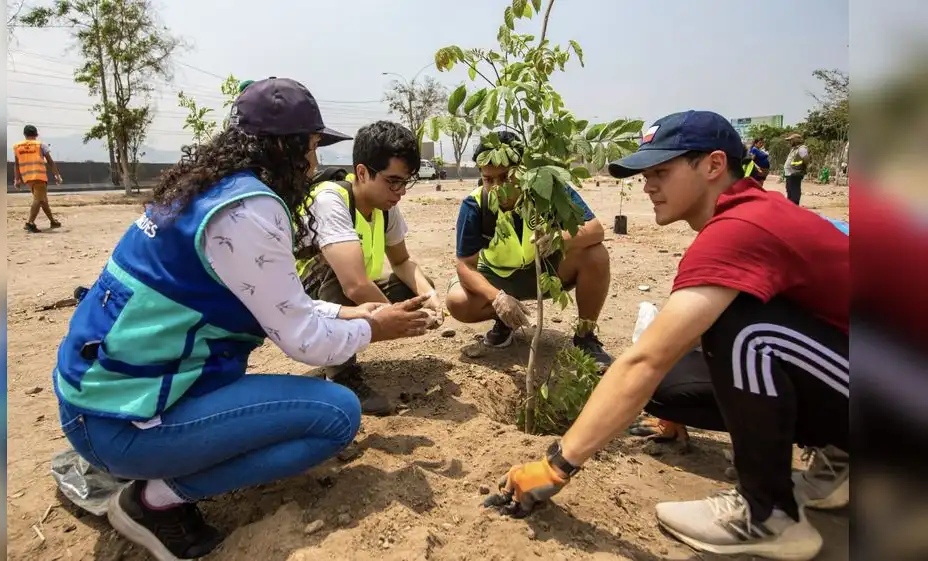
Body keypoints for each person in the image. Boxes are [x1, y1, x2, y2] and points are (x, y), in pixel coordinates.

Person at [52, 78, 431, 561]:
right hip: (120, 421)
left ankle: (155, 465)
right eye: (311, 148)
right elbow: (303, 340)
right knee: (337, 415)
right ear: (284, 147)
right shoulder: (250, 210)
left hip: (102, 397)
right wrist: (374, 327)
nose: (314, 164)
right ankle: (154, 501)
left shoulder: (209, 192)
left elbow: (277, 303)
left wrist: (347, 312)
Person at [492, 111, 848, 561]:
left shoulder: (740, 229)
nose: (647, 185)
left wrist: (557, 464)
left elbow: (645, 360)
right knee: (674, 385)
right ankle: (841, 461)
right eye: (645, 174)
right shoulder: (751, 214)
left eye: (662, 171)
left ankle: (767, 516)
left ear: (714, 165)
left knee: (745, 331)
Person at [296, 120, 440, 416]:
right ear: (362, 172)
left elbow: (401, 262)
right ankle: (341, 375)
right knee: (342, 278)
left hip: (348, 293)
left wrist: (429, 297)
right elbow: (354, 285)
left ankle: (345, 354)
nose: (400, 191)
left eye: (405, 181)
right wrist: (397, 319)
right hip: (303, 302)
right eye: (393, 181)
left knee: (415, 287)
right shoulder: (330, 200)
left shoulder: (386, 208)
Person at [445, 131, 613, 365]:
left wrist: (559, 239)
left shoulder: (548, 188)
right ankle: (505, 320)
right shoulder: (475, 205)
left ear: (522, 170)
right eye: (488, 179)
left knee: (596, 255)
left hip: (545, 271)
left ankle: (585, 337)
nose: (496, 187)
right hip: (500, 279)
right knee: (457, 302)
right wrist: (497, 298)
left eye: (504, 178)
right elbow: (465, 266)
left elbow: (595, 229)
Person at [12, 124, 63, 232]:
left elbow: (16, 164)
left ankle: (52, 221)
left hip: (27, 177)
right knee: (39, 199)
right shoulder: (41, 145)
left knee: (43, 200)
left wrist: (17, 179)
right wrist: (57, 175)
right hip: (39, 176)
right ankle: (30, 223)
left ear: (24, 134)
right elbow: (50, 161)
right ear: (36, 134)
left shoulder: (17, 146)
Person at [783, 133, 809, 205]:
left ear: (795, 140)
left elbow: (806, 159)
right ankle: (791, 206)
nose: (790, 142)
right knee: (789, 191)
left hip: (795, 173)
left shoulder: (802, 148)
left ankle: (795, 207)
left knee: (794, 191)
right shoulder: (794, 149)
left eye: (791, 140)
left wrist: (802, 167)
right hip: (790, 174)